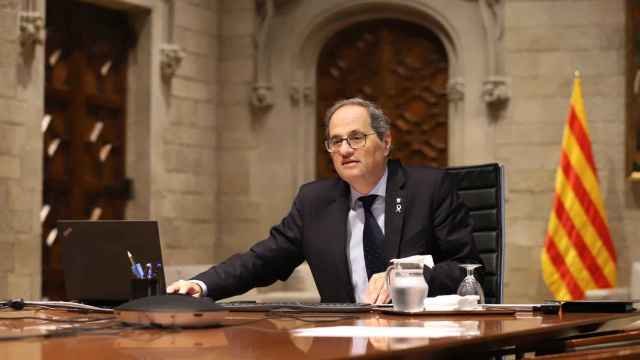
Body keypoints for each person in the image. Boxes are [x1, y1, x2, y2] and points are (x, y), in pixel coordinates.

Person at [167, 98, 482, 304]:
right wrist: (200, 286)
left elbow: (466, 271)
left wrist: (410, 277)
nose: (345, 149)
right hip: (344, 341)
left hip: (422, 340)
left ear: (386, 143)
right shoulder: (315, 201)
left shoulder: (428, 189)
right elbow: (262, 260)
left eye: (356, 138)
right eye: (335, 141)